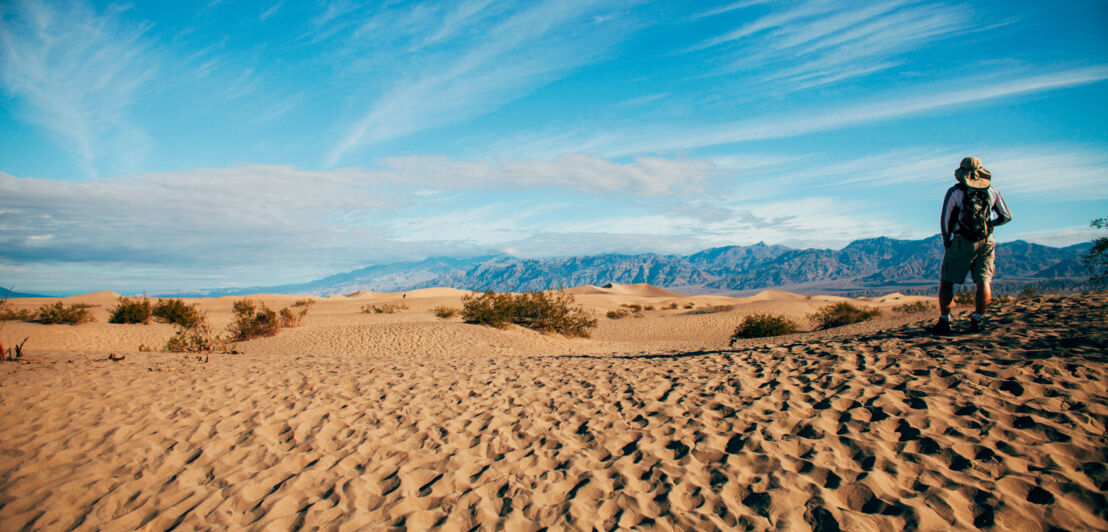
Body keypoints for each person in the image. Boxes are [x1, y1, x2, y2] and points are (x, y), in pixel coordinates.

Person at [931, 156, 1012, 334]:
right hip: (987, 241)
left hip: (962, 241)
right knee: (984, 281)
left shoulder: (955, 192)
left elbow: (945, 221)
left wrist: (947, 242)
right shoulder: (993, 191)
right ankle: (978, 319)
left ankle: (945, 321)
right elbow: (1006, 216)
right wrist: (991, 225)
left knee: (947, 282)